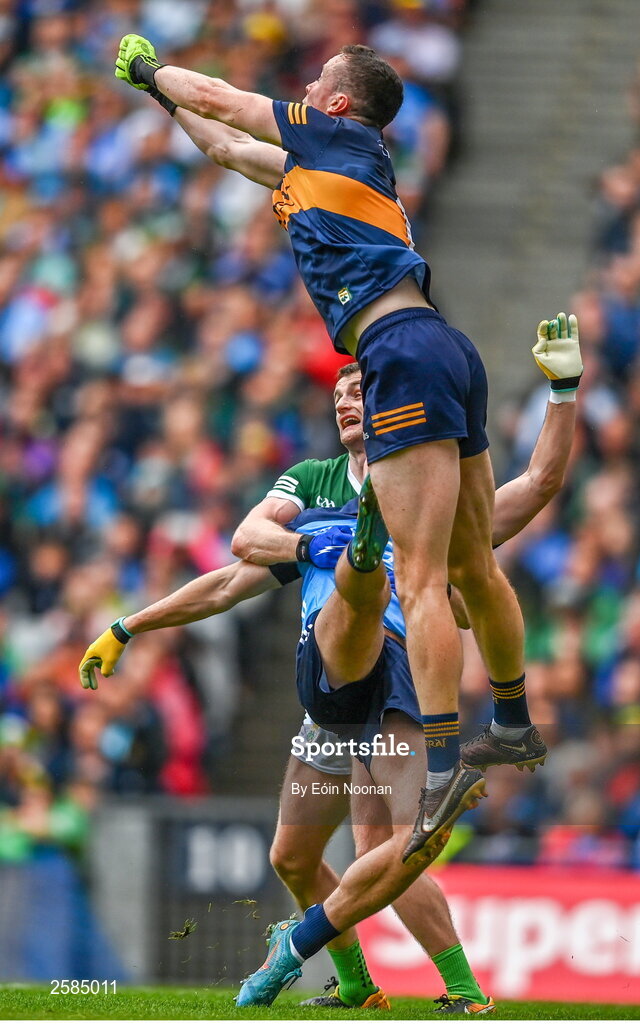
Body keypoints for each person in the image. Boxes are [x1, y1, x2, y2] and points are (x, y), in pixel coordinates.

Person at [111, 35, 587, 861]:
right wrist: (165, 102)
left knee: (427, 571)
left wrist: (150, 70)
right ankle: (509, 719)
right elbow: (222, 142)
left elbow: (224, 100)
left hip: (395, 350)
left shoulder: (337, 137)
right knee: (474, 563)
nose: (304, 85)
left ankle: (440, 760)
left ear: (335, 104)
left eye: (315, 81)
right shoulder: (321, 175)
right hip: (440, 346)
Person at [79, 316, 582, 1011]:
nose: (347, 400)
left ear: (391, 405)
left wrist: (563, 389)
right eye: (340, 392)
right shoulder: (312, 482)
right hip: (329, 697)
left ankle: (457, 987)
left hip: (393, 675)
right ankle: (355, 981)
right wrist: (127, 624)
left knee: (407, 828)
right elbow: (235, 565)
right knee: (298, 856)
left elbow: (541, 481)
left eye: (361, 390)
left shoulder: (441, 496)